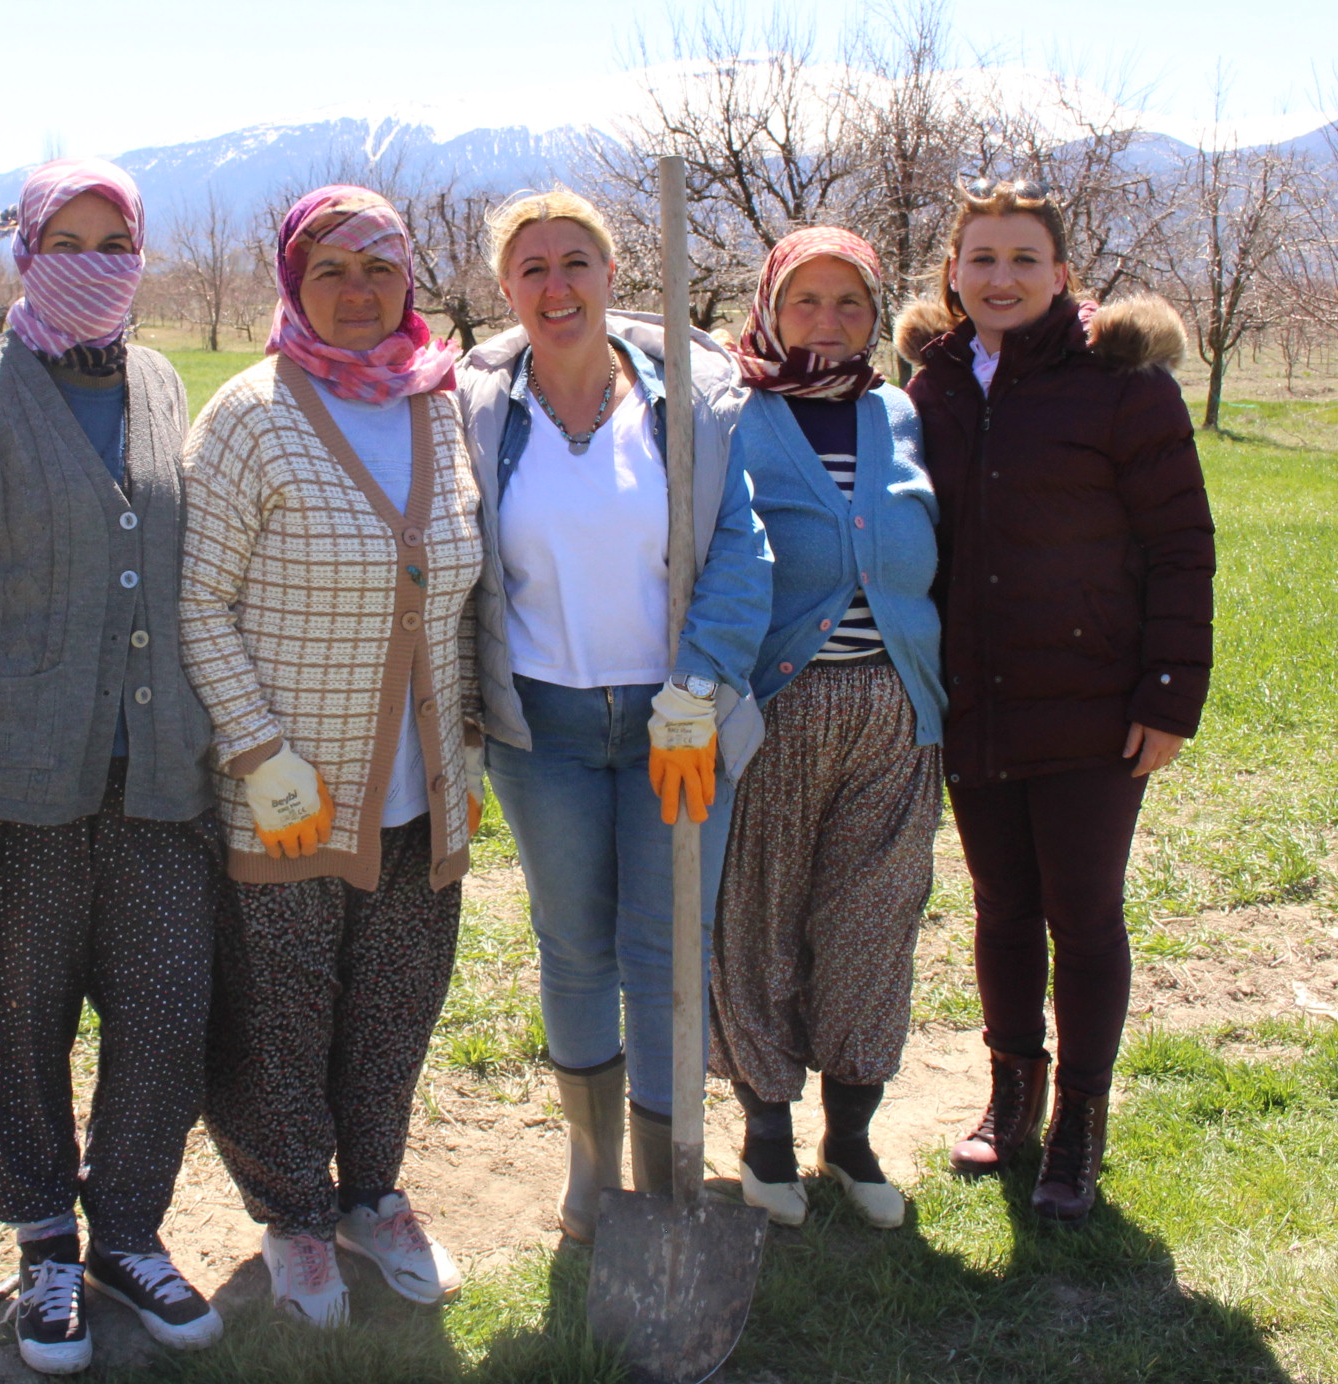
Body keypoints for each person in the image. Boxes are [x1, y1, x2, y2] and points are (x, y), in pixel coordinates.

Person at [0, 159, 224, 1374]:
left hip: (159, 782)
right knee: (16, 1023)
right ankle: (44, 1244)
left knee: (169, 1012)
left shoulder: (164, 379)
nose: (92, 264)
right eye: (64, 240)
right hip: (12, 783)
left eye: (112, 241)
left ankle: (127, 1229)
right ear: (24, 252)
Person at [178, 185, 484, 1327]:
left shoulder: (440, 407)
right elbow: (198, 600)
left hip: (420, 794)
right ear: (291, 285)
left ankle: (374, 1195)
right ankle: (295, 1215)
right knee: (282, 1010)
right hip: (290, 794)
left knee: (396, 1006)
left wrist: (467, 747)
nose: (358, 294)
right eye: (330, 273)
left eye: (379, 269)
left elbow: (461, 593)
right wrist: (258, 750)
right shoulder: (251, 415)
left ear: (411, 277)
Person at [456, 188, 771, 1243]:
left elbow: (742, 552)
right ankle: (593, 1176)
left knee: (668, 949)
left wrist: (697, 685)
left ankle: (666, 1177)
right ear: (506, 290)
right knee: (574, 946)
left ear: (613, 273)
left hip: (673, 722)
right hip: (541, 730)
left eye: (576, 262)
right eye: (533, 268)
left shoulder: (692, 401)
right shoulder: (475, 411)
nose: (557, 286)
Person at [900, 179, 1214, 1226]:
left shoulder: (1124, 387)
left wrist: (1170, 693)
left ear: (1064, 273)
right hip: (976, 697)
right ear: (953, 273)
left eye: (1024, 259)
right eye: (981, 259)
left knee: (1082, 915)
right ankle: (1011, 1094)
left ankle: (1081, 1117)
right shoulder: (931, 384)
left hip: (1092, 703)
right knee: (1001, 909)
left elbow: (1180, 546)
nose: (1001, 278)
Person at [709, 227, 946, 1232]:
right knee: (759, 916)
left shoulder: (898, 414)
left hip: (896, 711)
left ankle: (849, 1135)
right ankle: (766, 1129)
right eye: (807, 300)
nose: (830, 322)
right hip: (778, 709)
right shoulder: (735, 414)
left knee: (871, 920)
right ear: (770, 306)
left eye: (851, 303)